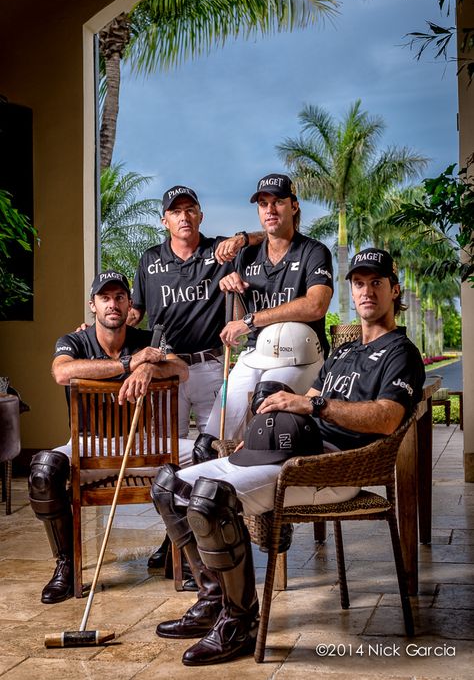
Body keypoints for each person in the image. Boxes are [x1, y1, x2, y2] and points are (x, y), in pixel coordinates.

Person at [150, 247, 425, 666]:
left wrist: (313, 408)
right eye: (359, 283)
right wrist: (266, 427)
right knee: (169, 486)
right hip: (291, 451)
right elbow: (315, 395)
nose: (366, 291)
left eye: (377, 283)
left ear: (394, 289)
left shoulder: (399, 353)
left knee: (209, 499)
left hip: (330, 466)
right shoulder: (345, 350)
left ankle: (240, 621)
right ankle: (212, 599)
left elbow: (388, 418)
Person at [28, 270, 189, 604]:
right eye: (105, 298)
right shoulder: (75, 341)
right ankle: (66, 565)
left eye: (119, 297)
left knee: (206, 453)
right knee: (43, 472)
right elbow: (62, 372)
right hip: (90, 445)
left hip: (145, 447)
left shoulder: (149, 339)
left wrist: (149, 367)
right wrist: (130, 363)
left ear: (130, 304)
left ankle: (181, 549)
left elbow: (181, 369)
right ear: (93, 305)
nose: (112, 304)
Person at [129, 184, 264, 569]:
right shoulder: (149, 260)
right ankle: (175, 540)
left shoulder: (219, 252)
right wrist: (94, 328)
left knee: (209, 453)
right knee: (167, 457)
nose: (184, 216)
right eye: (176, 211)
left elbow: (266, 239)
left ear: (200, 216)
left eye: (191, 209)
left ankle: (210, 541)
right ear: (165, 220)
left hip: (209, 366)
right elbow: (134, 314)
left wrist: (240, 238)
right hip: (166, 371)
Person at [204, 173, 333, 440]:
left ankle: (266, 474)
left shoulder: (314, 251)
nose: (270, 210)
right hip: (254, 354)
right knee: (212, 437)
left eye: (278, 202)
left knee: (266, 408)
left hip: (301, 354)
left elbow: (316, 306)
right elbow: (239, 325)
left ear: (294, 206)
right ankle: (221, 479)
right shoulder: (247, 255)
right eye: (263, 203)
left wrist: (251, 321)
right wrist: (233, 291)